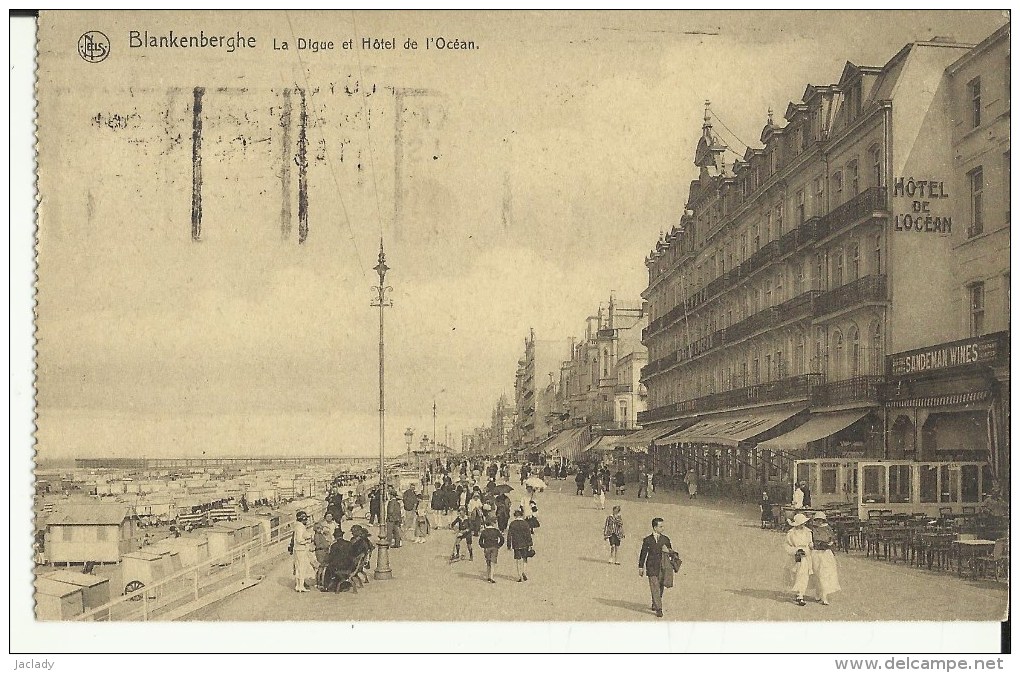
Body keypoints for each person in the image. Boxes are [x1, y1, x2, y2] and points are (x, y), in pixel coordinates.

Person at [638, 517, 675, 618]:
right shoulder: (647, 540)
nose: (663, 528)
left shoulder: (666, 539)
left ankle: (655, 602)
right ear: (655, 528)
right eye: (660, 526)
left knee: (660, 586)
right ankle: (659, 608)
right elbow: (643, 554)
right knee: (654, 587)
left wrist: (668, 551)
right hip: (651, 567)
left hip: (663, 567)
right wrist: (640, 567)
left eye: (663, 526)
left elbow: (672, 552)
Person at [807, 512, 841, 605]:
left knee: (824, 574)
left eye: (820, 520)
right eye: (817, 520)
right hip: (816, 553)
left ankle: (824, 596)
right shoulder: (813, 530)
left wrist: (831, 544)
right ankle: (818, 593)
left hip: (826, 554)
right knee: (817, 574)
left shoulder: (828, 529)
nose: (819, 522)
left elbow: (833, 540)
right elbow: (811, 542)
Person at [784, 512, 814, 606]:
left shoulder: (808, 532)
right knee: (795, 574)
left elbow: (810, 543)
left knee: (804, 575)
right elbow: (786, 545)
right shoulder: (791, 533)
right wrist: (795, 551)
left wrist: (811, 546)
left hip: (805, 556)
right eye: (801, 523)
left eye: (804, 523)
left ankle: (800, 595)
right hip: (796, 556)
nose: (803, 525)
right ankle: (797, 592)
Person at [506, 507, 533, 582]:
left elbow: (509, 535)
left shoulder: (512, 524)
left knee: (518, 560)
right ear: (521, 515)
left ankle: (520, 576)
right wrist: (530, 543)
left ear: (515, 516)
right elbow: (528, 534)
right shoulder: (525, 523)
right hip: (525, 544)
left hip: (516, 544)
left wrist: (509, 545)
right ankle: (524, 571)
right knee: (525, 558)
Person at [290, 511, 315, 592]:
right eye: (305, 519)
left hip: (297, 549)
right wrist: (308, 541)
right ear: (302, 519)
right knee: (302, 567)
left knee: (297, 567)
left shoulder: (297, 526)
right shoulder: (300, 527)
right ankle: (301, 586)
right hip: (301, 549)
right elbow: (299, 540)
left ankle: (298, 585)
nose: (306, 521)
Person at [478, 516, 505, 584]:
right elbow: (502, 539)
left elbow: (480, 541)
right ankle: (492, 576)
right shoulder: (496, 531)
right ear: (493, 523)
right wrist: (498, 545)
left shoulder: (484, 531)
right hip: (494, 547)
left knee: (488, 562)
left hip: (487, 547)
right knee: (493, 562)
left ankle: (488, 576)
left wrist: (483, 546)